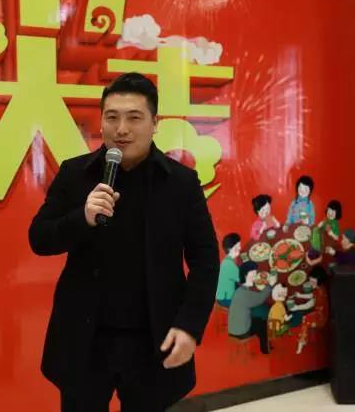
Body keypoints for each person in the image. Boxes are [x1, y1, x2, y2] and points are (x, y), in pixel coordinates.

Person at [28, 72, 219, 412]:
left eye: (134, 118)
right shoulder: (75, 174)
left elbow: (205, 260)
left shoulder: (181, 183)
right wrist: (82, 217)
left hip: (153, 338)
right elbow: (39, 238)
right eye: (112, 117)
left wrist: (189, 325)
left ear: (154, 123)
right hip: (86, 337)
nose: (121, 129)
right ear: (101, 121)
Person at [227, 261, 277, 354]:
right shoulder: (244, 294)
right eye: (253, 273)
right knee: (262, 323)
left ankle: (264, 345)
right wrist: (270, 284)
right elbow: (261, 298)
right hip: (241, 333)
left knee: (257, 317)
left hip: (233, 330)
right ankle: (265, 349)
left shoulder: (239, 290)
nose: (255, 274)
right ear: (245, 275)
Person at [288, 266, 329, 354]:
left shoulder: (320, 292)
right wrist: (299, 295)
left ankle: (301, 343)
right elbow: (311, 295)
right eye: (310, 280)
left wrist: (296, 307)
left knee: (305, 319)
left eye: (313, 282)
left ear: (319, 281)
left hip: (321, 317)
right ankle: (304, 340)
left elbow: (308, 305)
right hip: (319, 312)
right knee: (305, 318)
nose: (311, 283)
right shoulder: (320, 287)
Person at [216, 233, 241, 307]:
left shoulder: (226, 261)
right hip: (226, 299)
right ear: (230, 249)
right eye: (237, 246)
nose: (240, 248)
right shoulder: (230, 265)